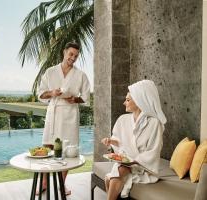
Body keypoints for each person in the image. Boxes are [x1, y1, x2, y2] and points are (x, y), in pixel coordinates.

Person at [37, 42, 91, 195]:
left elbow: (86, 98)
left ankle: (62, 184)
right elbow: (41, 94)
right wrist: (52, 93)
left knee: (67, 151)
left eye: (75, 56)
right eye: (70, 54)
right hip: (54, 112)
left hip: (70, 114)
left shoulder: (81, 75)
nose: (72, 58)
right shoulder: (50, 72)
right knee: (49, 148)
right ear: (64, 52)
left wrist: (75, 99)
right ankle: (44, 183)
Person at [101, 80, 167, 200]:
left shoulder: (154, 123)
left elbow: (154, 151)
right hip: (126, 162)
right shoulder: (123, 120)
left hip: (143, 165)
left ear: (139, 101)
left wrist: (134, 161)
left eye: (127, 100)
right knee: (121, 169)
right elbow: (119, 141)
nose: (124, 103)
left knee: (116, 174)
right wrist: (111, 141)